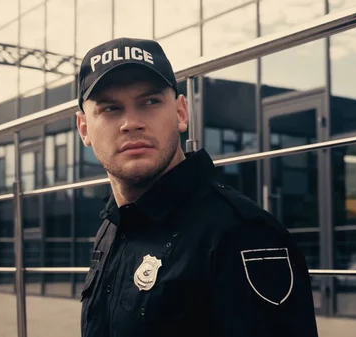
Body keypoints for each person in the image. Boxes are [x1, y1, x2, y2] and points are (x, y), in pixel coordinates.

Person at [75, 37, 319, 337]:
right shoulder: (112, 227)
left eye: (150, 102)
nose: (131, 123)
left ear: (180, 113)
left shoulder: (241, 234)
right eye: (110, 109)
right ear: (84, 128)